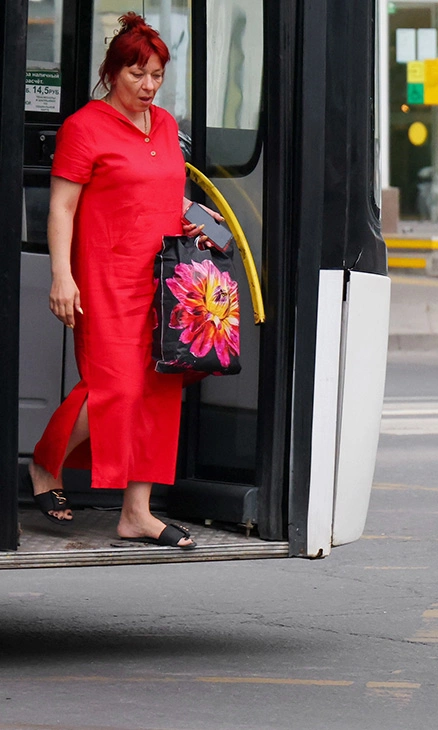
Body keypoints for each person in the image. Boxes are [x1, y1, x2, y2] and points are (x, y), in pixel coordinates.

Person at [27, 13, 216, 548]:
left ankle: (137, 512)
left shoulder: (165, 124)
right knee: (116, 388)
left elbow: (161, 193)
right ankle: (47, 462)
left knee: (159, 389)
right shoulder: (83, 127)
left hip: (163, 278)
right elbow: (61, 209)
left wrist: (191, 228)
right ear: (112, 72)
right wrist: (62, 277)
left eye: (157, 75)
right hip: (105, 276)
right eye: (138, 75)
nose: (149, 86)